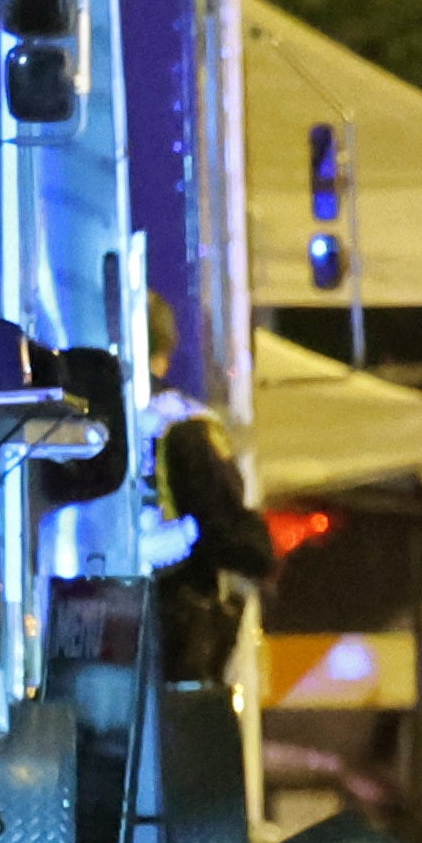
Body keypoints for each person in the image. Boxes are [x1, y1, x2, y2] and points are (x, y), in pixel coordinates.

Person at [142, 293, 273, 684]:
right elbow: (227, 531)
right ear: (166, 347)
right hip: (161, 623)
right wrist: (259, 547)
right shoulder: (186, 425)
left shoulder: (96, 402)